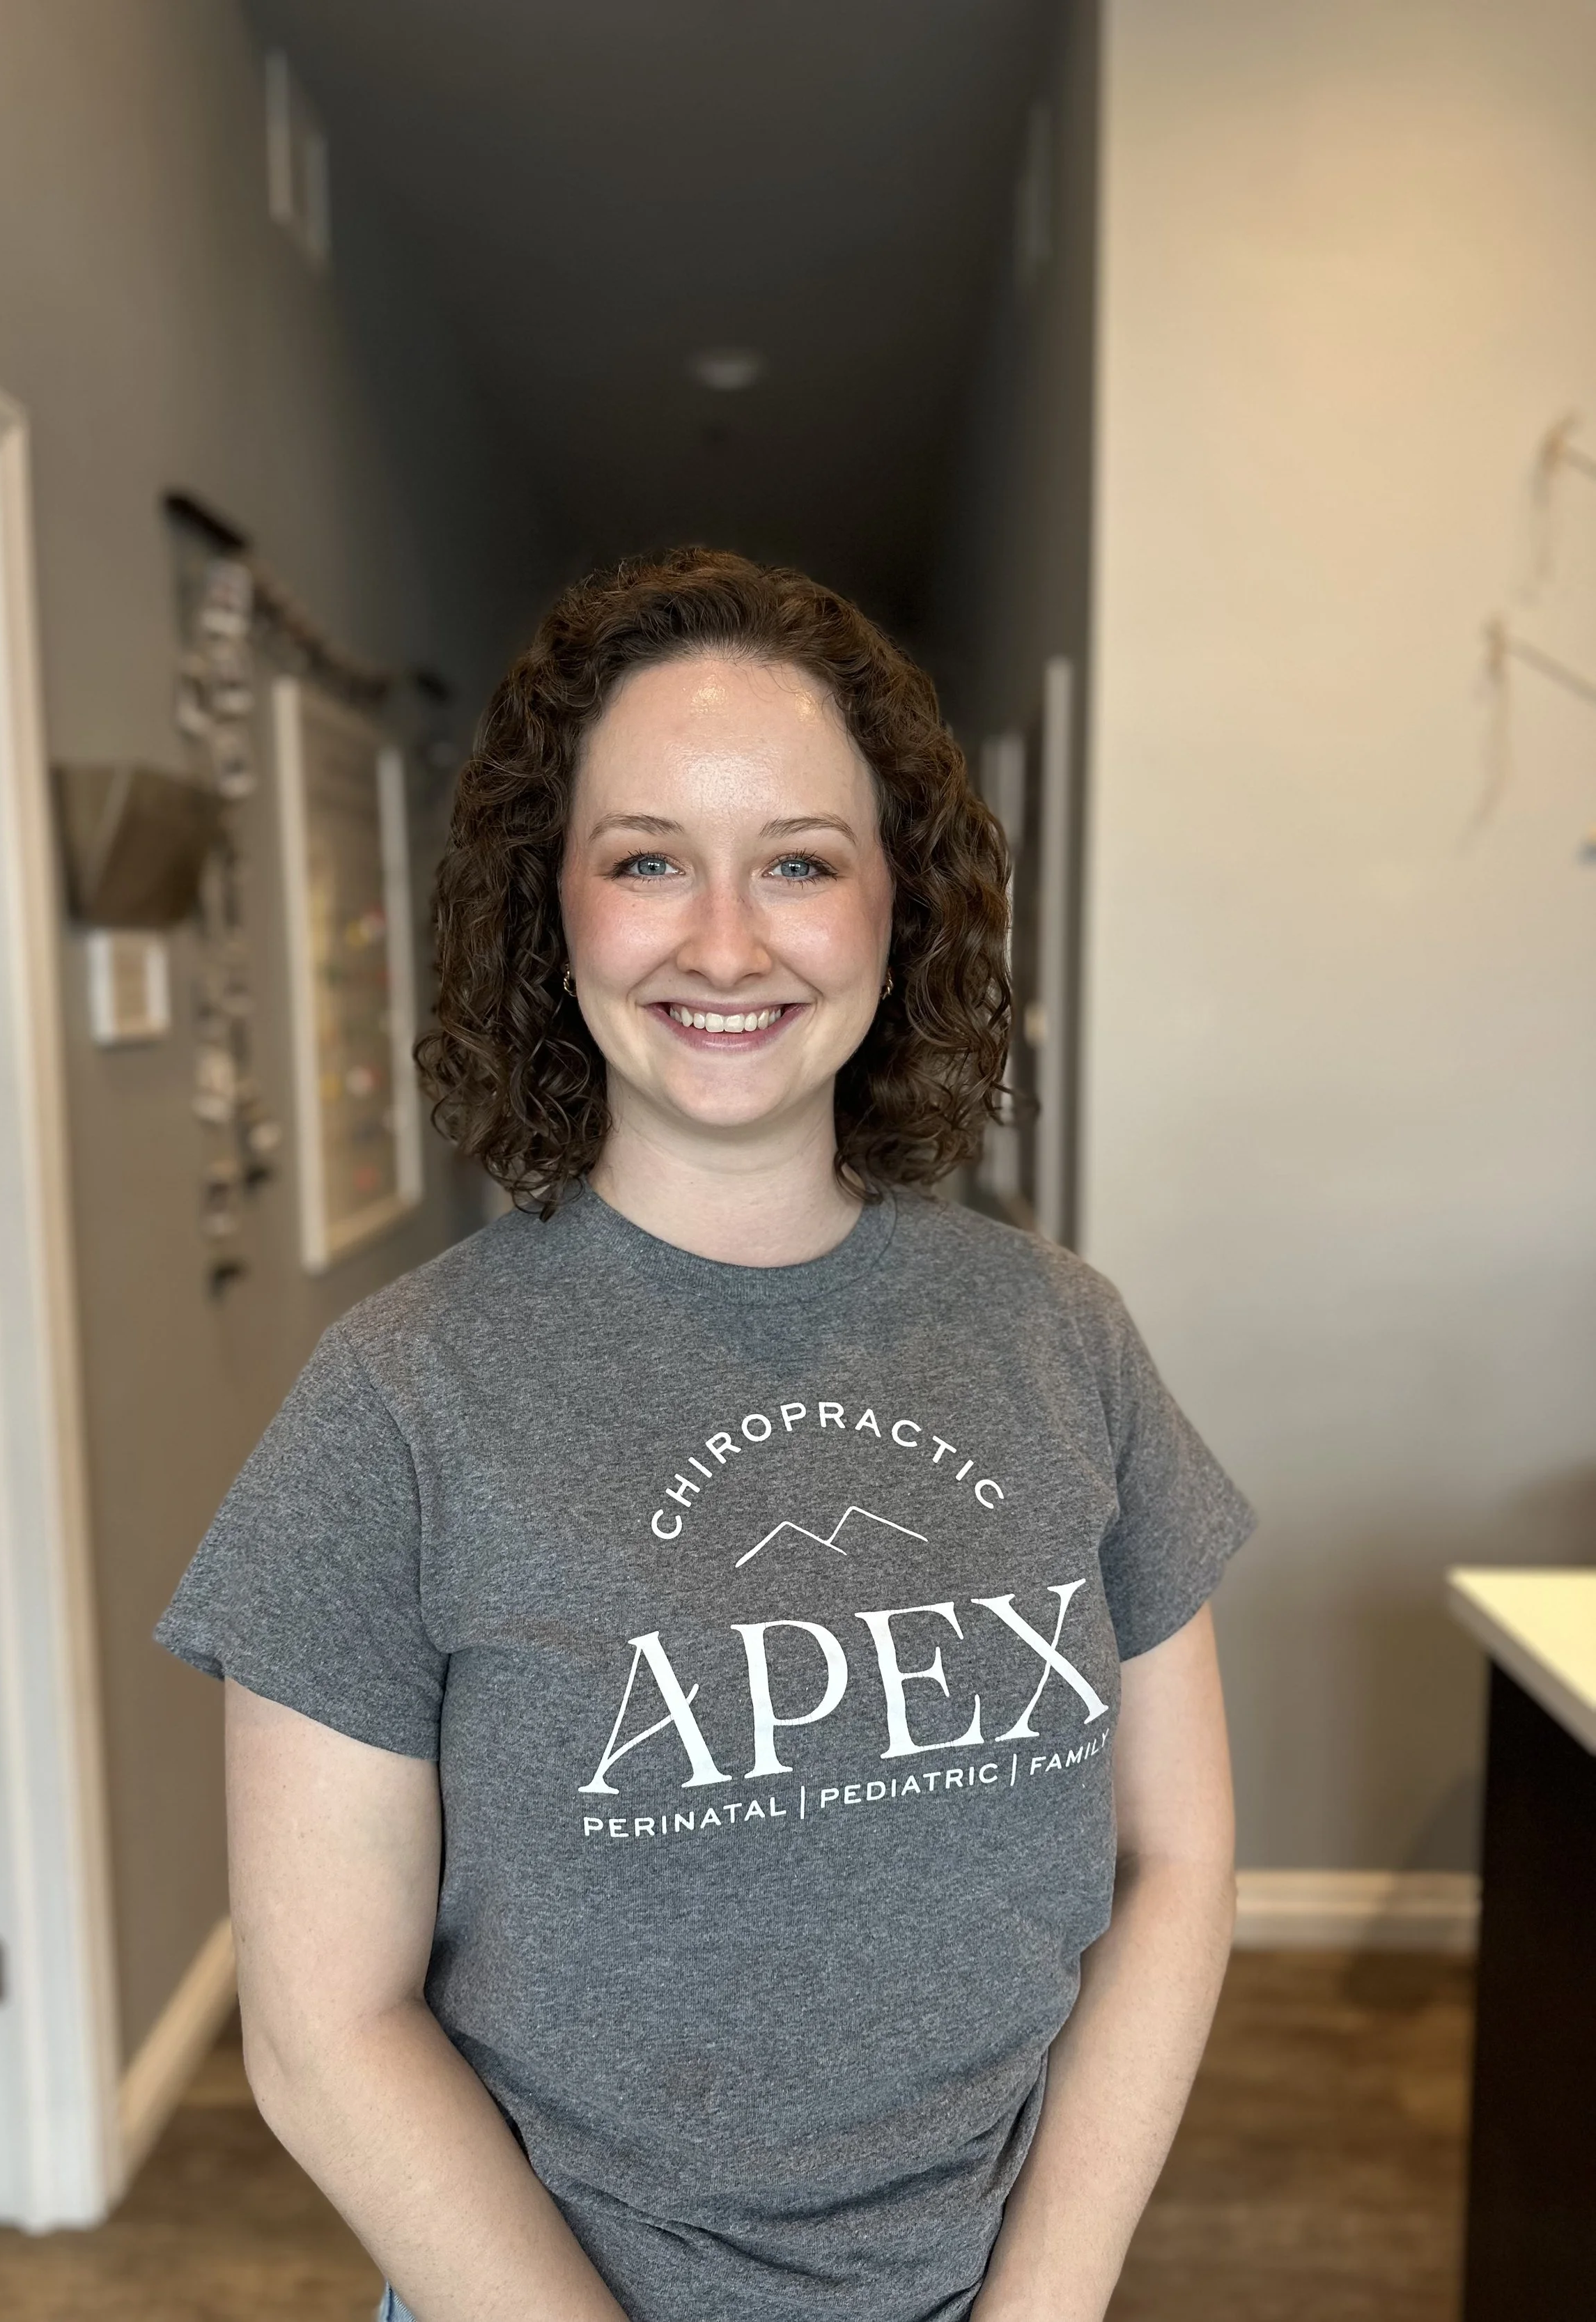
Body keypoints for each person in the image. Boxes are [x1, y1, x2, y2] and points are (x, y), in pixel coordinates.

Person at [157, 547, 1253, 2322]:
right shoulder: (395, 1402)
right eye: (646, 858)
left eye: (798, 863)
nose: (723, 941)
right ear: (553, 906)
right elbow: (318, 2033)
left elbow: (1178, 1856)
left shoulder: (1062, 1337)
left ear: (897, 906)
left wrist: (1040, 2307)